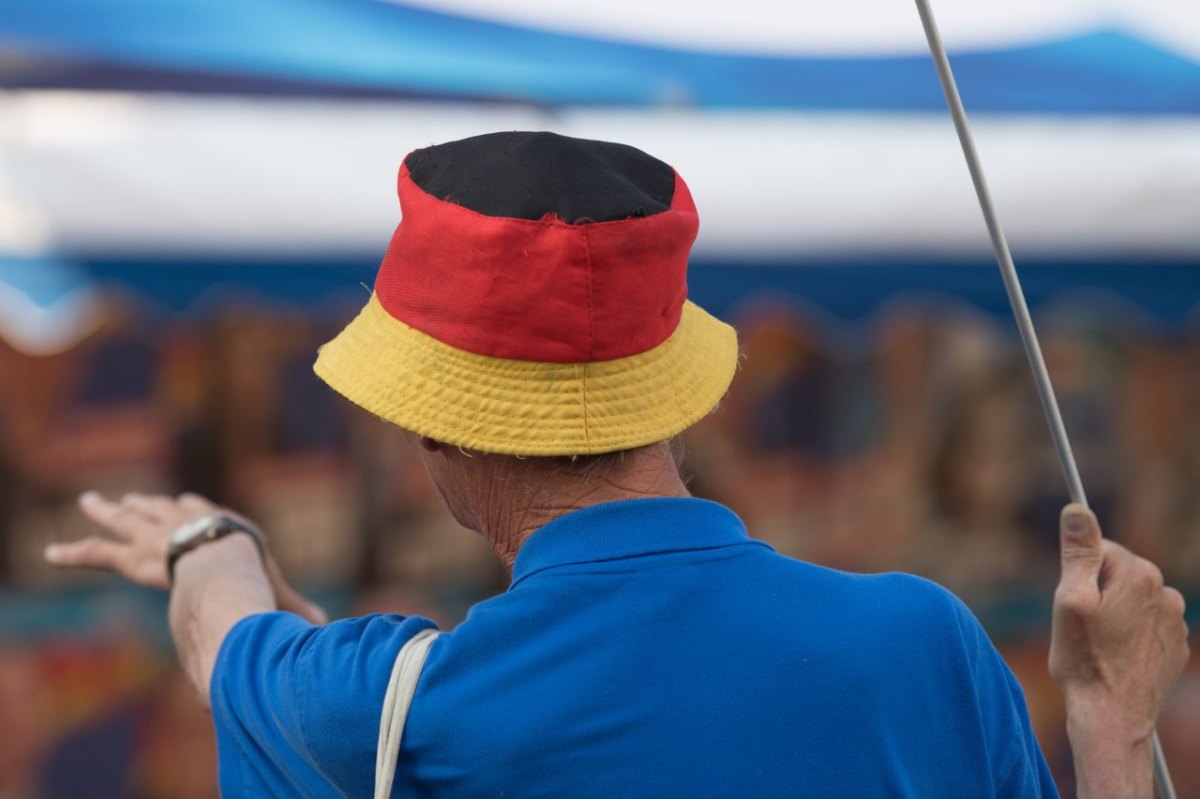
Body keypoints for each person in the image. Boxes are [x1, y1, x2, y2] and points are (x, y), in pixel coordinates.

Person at [46, 132, 1188, 798]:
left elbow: (224, 635)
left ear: (437, 428)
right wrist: (1110, 719)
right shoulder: (924, 646)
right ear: (672, 393)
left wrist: (208, 541)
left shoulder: (399, 706)